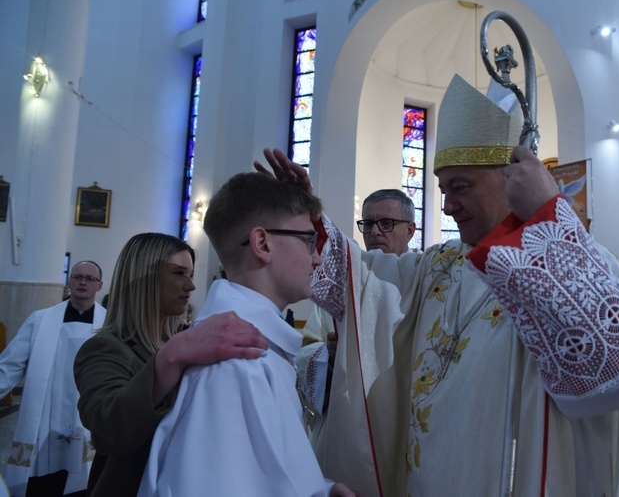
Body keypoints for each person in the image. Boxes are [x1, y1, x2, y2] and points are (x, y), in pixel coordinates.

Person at [256, 74, 619, 496]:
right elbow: (363, 283)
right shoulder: (440, 266)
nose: (447, 206)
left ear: (510, 176)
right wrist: (304, 224)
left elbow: (602, 375)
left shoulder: (565, 261)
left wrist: (548, 212)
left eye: (459, 187)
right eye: (442, 190)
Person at [138, 174, 355, 496]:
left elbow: (258, 471)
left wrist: (319, 489)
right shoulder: (236, 362)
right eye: (309, 241)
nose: (317, 258)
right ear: (262, 243)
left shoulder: (249, 345)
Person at [74, 233, 269, 496]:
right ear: (144, 279)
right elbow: (109, 427)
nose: (191, 286)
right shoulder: (104, 348)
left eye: (189, 274)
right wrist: (172, 355)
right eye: (179, 273)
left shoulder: (174, 341)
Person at [298, 189, 418, 460]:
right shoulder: (342, 283)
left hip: (402, 423)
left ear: (410, 230)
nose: (375, 232)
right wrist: (328, 357)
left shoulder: (424, 282)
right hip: (346, 423)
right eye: (368, 223)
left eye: (386, 223)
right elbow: (306, 350)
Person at [0, 261, 105, 497]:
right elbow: (9, 366)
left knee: (82, 483)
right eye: (77, 276)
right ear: (69, 281)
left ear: (99, 285)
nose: (82, 282)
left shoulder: (110, 325)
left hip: (87, 420)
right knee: (41, 485)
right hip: (42, 425)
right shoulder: (39, 321)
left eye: (89, 278)